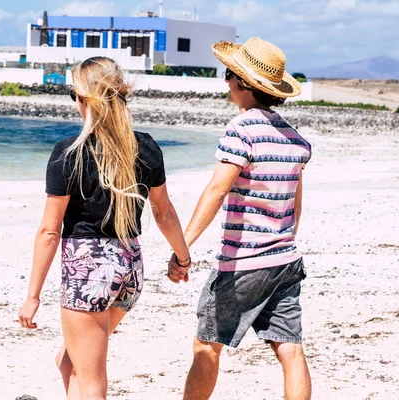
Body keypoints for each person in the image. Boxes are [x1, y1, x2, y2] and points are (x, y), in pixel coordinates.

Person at [18, 56, 190, 400]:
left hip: (89, 271)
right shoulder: (146, 147)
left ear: (84, 99)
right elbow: (164, 213)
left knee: (93, 379)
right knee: (69, 363)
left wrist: (32, 296)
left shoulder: (69, 153)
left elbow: (50, 231)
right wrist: (183, 258)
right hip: (129, 268)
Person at [168, 37, 313, 399]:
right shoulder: (295, 140)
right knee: (290, 349)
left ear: (244, 83)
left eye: (229, 74)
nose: (225, 82)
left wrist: (182, 248)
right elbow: (295, 209)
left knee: (206, 346)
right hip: (285, 259)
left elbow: (217, 191)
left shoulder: (241, 129)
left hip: (243, 263)